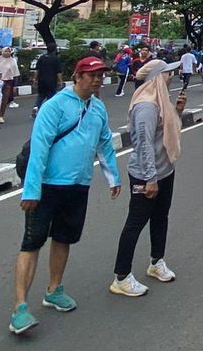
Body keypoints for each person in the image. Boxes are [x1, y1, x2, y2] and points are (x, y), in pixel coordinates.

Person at [10, 56, 121, 335]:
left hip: (78, 185)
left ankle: (54, 290)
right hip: (47, 186)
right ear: (77, 76)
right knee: (32, 243)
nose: (97, 80)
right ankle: (20, 308)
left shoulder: (98, 108)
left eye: (100, 75)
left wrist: (113, 177)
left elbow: (105, 143)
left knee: (64, 238)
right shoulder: (55, 106)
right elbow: (39, 148)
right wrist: (31, 189)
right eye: (91, 75)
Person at [111, 59, 186, 297]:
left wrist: (179, 111)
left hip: (165, 171)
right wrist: (150, 179)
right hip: (147, 175)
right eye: (166, 73)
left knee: (160, 218)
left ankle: (156, 262)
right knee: (135, 223)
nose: (171, 76)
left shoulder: (160, 103)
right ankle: (121, 277)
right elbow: (143, 145)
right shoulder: (146, 107)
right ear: (155, 78)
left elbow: (163, 132)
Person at [34, 44, 61, 118]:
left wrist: (35, 79)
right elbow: (58, 72)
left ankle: (36, 108)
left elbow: (37, 70)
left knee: (41, 96)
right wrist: (60, 81)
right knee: (51, 98)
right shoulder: (56, 59)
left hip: (41, 80)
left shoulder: (42, 58)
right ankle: (48, 112)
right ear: (55, 49)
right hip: (52, 81)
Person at [0, 47, 21, 118]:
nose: (7, 53)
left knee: (5, 99)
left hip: (8, 82)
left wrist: (15, 85)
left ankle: (1, 115)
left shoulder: (13, 61)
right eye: (5, 51)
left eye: (8, 51)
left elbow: (15, 74)